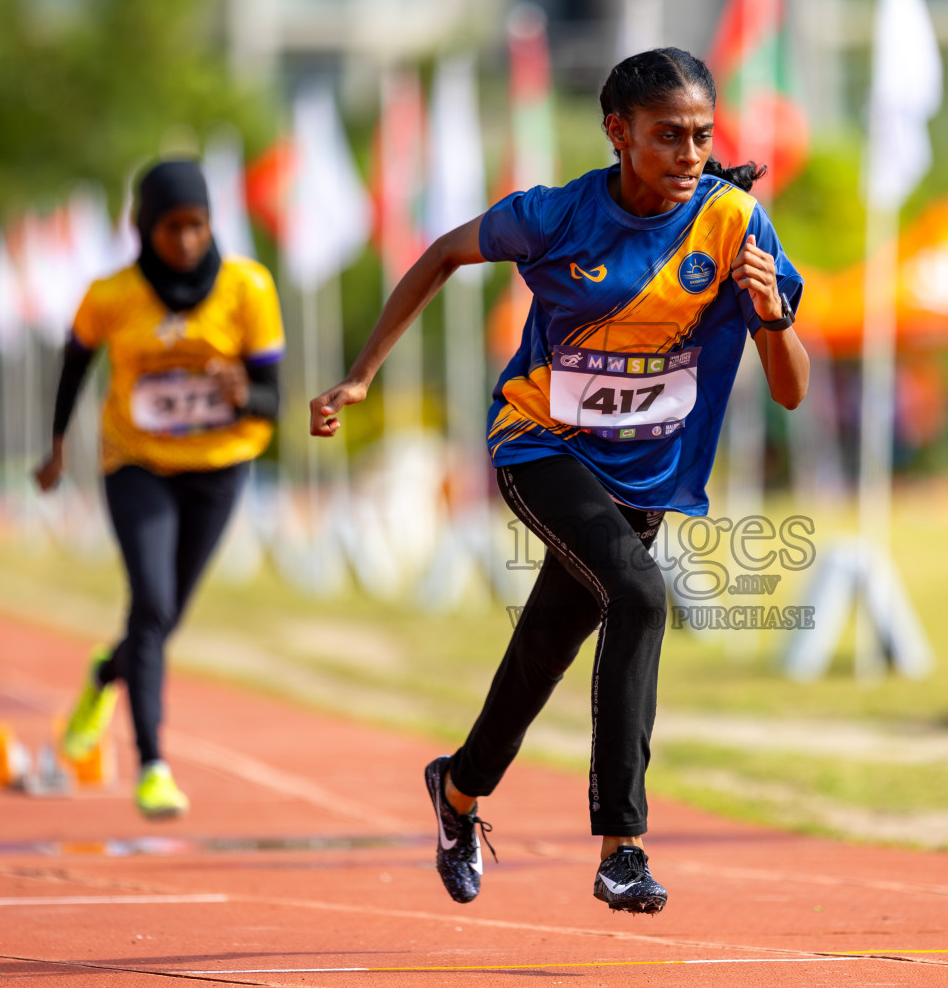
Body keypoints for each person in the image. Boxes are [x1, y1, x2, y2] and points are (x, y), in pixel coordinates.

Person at [309, 47, 809, 914]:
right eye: (666, 137)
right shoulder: (555, 216)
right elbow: (439, 256)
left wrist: (769, 312)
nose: (689, 155)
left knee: (547, 643)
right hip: (541, 445)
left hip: (645, 473)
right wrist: (360, 374)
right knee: (642, 596)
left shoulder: (736, 224)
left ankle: (458, 792)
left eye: (701, 136)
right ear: (618, 134)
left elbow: (793, 390)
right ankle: (623, 847)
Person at [35, 159, 284, 820]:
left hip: (219, 467)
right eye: (172, 228)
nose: (186, 241)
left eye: (197, 226)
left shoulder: (247, 288)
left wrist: (244, 392)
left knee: (166, 615)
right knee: (151, 602)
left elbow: (274, 401)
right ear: (144, 227)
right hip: (136, 461)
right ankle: (152, 765)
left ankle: (100, 678)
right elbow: (75, 363)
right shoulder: (110, 295)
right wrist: (56, 443)